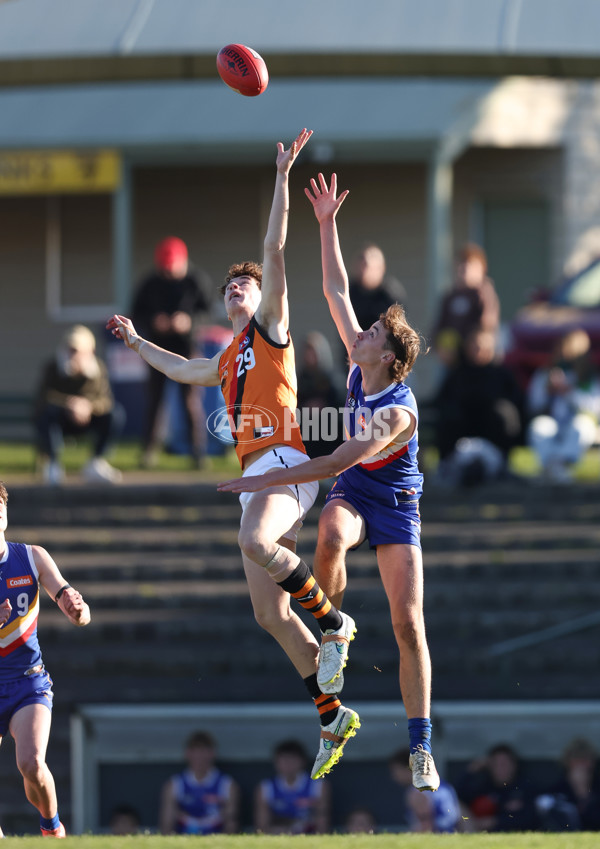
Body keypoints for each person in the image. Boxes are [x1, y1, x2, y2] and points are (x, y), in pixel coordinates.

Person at [107, 130, 360, 781]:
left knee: (254, 540)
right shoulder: (224, 357)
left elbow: (274, 247)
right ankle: (331, 713)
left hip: (285, 461)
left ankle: (334, 622)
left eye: (242, 286)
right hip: (255, 475)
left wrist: (281, 177)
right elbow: (182, 366)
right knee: (267, 612)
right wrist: (136, 341)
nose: (235, 291)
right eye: (230, 289)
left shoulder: (270, 330)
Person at [218, 172, 440, 793]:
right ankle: (333, 633)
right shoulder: (359, 363)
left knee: (408, 623)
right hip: (355, 493)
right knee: (329, 541)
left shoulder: (397, 411)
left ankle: (420, 745)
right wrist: (325, 223)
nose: (359, 332)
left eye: (371, 335)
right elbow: (336, 288)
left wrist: (267, 481)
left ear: (388, 360)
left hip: (395, 501)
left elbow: (335, 462)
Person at [0, 480, 91, 838]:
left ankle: (52, 828)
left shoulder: (31, 557)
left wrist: (76, 609)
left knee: (32, 763)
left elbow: (71, 600)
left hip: (27, 679)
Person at [131, 235, 212, 468]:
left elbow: (207, 311)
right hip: (157, 348)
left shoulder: (195, 281)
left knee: (190, 401)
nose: (168, 273)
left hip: (186, 348)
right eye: (164, 269)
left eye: (172, 268)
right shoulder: (150, 283)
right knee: (154, 401)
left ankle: (198, 453)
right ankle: (148, 451)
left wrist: (188, 322)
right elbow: (137, 313)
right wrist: (154, 322)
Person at [33, 324, 125, 486]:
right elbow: (45, 397)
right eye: (70, 349)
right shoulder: (53, 367)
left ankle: (96, 463)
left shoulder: (98, 369)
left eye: (77, 350)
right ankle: (53, 465)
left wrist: (87, 406)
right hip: (61, 419)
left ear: (89, 351)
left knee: (114, 414)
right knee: (46, 414)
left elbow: (105, 400)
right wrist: (71, 404)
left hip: (89, 420)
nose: (73, 354)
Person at [433, 328, 524, 485]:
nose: (478, 351)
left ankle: (502, 465)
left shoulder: (503, 375)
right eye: (474, 346)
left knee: (502, 413)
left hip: (493, 437)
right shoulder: (456, 375)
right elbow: (441, 401)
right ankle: (446, 467)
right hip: (460, 439)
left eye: (483, 347)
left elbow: (516, 402)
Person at [526, 328, 600, 483]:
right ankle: (553, 467)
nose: (566, 353)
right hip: (553, 422)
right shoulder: (545, 373)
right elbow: (533, 404)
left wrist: (569, 392)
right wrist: (549, 391)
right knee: (539, 426)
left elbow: (594, 407)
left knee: (581, 425)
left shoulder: (587, 377)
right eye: (562, 347)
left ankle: (560, 465)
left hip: (578, 424)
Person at [432, 243, 500, 370]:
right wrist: (440, 346)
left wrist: (478, 340)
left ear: (482, 269)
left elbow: (487, 323)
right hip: (454, 360)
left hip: (478, 358)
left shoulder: (484, 293)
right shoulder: (450, 296)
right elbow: (440, 325)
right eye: (461, 264)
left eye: (470, 265)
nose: (464, 269)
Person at [159, 731, 239, 835]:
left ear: (213, 753)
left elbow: (231, 821)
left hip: (216, 839)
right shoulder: (174, 784)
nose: (200, 757)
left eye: (204, 751)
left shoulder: (227, 784)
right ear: (187, 754)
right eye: (195, 751)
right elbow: (166, 824)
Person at [455, 743, 538, 832]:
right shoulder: (483, 787)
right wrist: (470, 771)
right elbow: (456, 799)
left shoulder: (525, 788)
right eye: (496, 764)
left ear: (514, 765)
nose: (500, 768)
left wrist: (495, 821)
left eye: (504, 764)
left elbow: (531, 818)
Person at [254, 739, 331, 834]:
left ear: (302, 761)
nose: (288, 764)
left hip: (307, 832)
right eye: (284, 760)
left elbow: (322, 817)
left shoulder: (318, 786)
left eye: (292, 760)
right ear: (276, 763)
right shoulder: (266, 788)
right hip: (278, 832)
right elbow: (262, 824)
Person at [296, 331, 345, 458]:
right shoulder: (299, 380)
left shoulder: (333, 379)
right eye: (307, 352)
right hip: (308, 439)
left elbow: (342, 407)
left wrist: (324, 407)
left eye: (312, 352)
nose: (309, 356)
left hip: (330, 438)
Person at [536, 738, 600, 831]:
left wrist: (583, 793)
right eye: (576, 759)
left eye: (585, 759)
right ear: (567, 762)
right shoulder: (555, 791)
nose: (580, 764)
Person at [348, 243, 407, 343]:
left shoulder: (391, 295)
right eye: (361, 265)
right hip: (353, 349)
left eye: (367, 266)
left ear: (381, 268)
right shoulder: (350, 292)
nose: (363, 271)